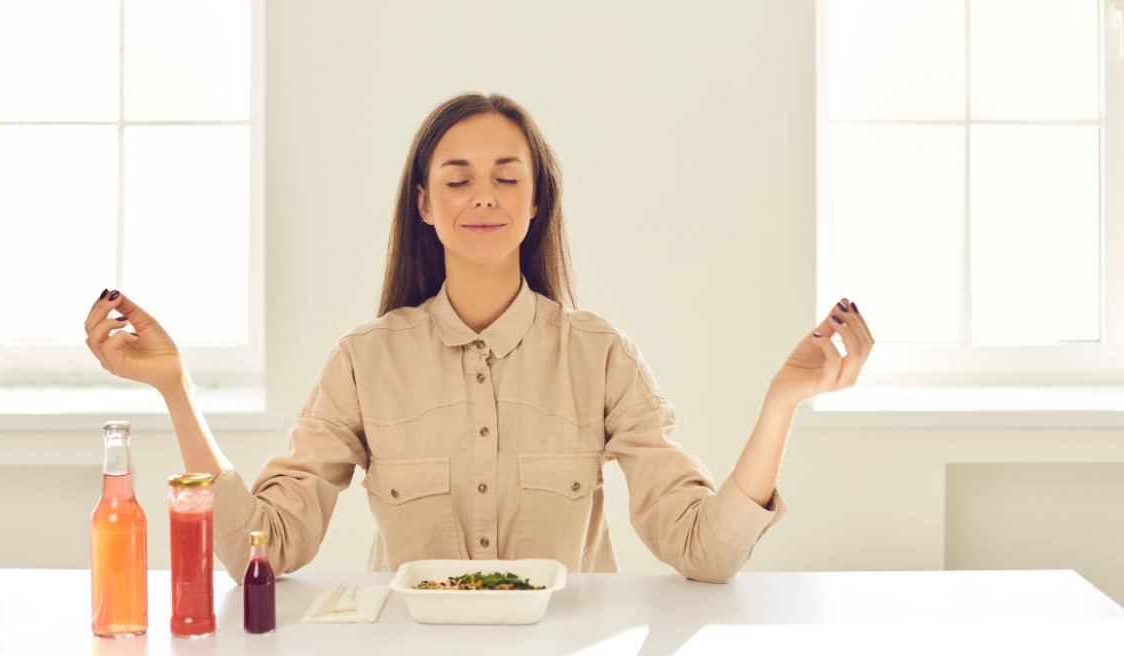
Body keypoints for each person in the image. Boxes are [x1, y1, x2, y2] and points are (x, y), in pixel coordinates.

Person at [82, 92, 873, 585]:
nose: (483, 197)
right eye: (457, 179)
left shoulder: (599, 356)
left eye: (507, 177)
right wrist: (175, 388)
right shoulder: (365, 359)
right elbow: (266, 548)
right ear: (424, 204)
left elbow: (706, 552)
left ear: (538, 204)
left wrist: (782, 404)